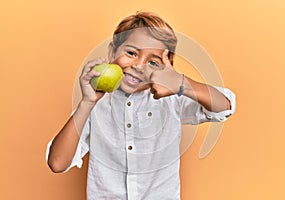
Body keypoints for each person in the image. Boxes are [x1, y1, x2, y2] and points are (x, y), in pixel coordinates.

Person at [46, 11, 236, 200]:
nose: (138, 66)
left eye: (153, 62)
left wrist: (181, 84)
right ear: (112, 52)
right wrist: (86, 102)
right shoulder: (95, 105)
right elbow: (57, 163)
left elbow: (224, 106)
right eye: (131, 53)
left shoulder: (172, 99)